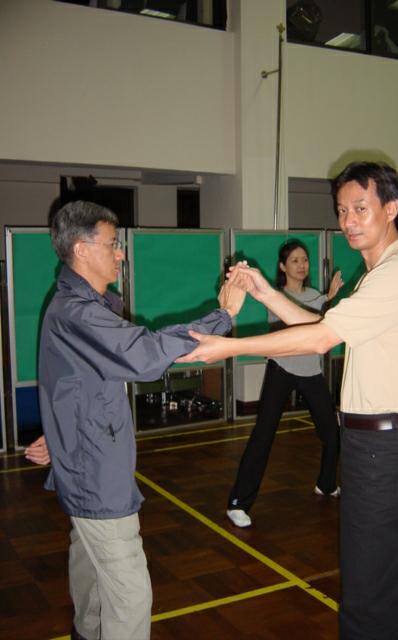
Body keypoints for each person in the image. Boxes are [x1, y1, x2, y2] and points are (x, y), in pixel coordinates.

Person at [178, 162, 398, 640]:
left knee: (367, 597)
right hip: (384, 445)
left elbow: (319, 338)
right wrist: (264, 292)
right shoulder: (381, 274)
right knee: (386, 584)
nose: (348, 221)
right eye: (341, 211)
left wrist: (229, 347)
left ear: (391, 208)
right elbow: (319, 324)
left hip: (384, 449)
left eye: (360, 208)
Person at [24, 200, 244, 640]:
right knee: (130, 595)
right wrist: (224, 316)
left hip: (84, 457)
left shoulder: (77, 305)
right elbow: (144, 355)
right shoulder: (78, 312)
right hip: (95, 472)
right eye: (112, 244)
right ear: (82, 250)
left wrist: (59, 432)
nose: (121, 253)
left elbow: (66, 382)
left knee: (91, 575)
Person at [227, 239, 343, 528]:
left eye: (305, 260)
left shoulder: (316, 296)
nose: (302, 265)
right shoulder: (276, 297)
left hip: (311, 372)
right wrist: (326, 301)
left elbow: (324, 323)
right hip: (282, 370)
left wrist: (327, 299)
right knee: (263, 436)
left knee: (332, 433)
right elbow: (301, 320)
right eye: (294, 260)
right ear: (282, 266)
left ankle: (327, 483)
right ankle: (238, 503)